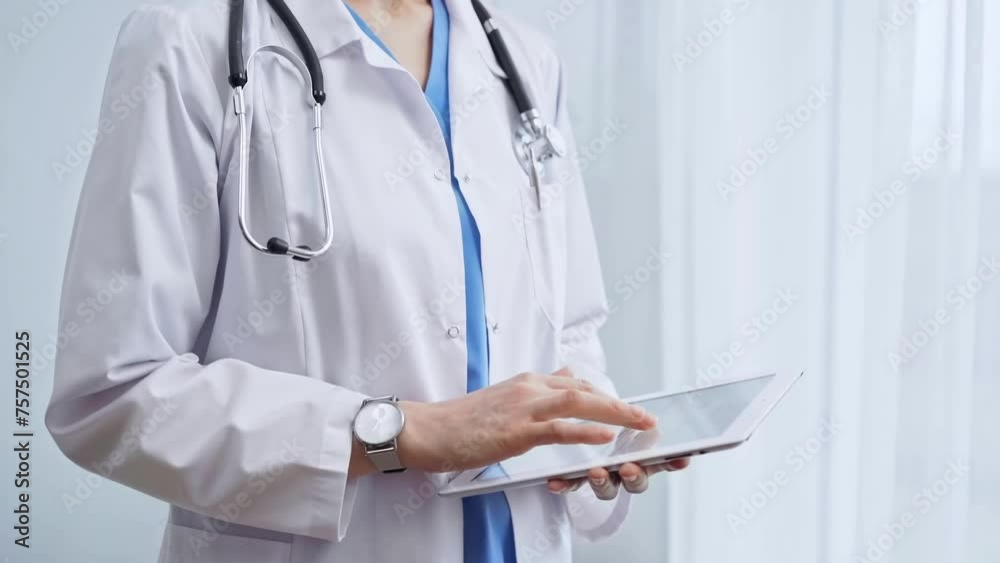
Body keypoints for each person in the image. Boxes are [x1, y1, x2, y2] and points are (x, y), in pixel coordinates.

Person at [45, 0, 688, 561]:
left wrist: (590, 435)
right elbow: (111, 395)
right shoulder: (191, 46)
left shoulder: (523, 60)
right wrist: (391, 432)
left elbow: (568, 329)